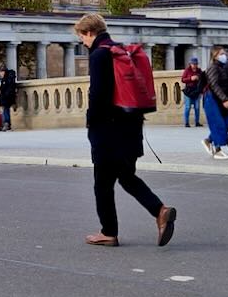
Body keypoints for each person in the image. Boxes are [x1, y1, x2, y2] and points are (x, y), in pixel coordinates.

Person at [75, 13, 176, 248]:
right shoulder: (121, 51)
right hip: (131, 125)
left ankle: (108, 232)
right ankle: (160, 211)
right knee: (126, 177)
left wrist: (91, 122)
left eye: (82, 36)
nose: (82, 42)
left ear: (89, 32)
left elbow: (98, 94)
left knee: (102, 183)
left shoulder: (99, 55)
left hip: (109, 130)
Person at [201, 48, 228, 159]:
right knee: (218, 124)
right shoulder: (213, 67)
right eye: (221, 54)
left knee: (227, 122)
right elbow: (214, 84)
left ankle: (208, 140)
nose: (224, 56)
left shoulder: (223, 67)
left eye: (224, 53)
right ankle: (217, 150)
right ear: (215, 56)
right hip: (212, 98)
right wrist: (224, 99)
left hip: (220, 98)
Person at [180, 57, 204, 128]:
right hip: (188, 91)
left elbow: (203, 79)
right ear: (190, 64)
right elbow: (183, 79)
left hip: (196, 90)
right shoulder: (187, 70)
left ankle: (197, 122)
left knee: (197, 107)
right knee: (187, 107)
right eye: (193, 64)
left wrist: (198, 77)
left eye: (195, 64)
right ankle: (186, 122)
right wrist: (190, 78)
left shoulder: (199, 70)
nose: (194, 65)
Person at [0, 67, 17, 131]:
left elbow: (5, 88)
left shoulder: (6, 79)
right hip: (7, 97)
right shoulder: (7, 79)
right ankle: (7, 124)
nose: (0, 74)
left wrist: (3, 94)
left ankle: (7, 123)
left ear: (4, 72)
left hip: (6, 97)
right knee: (6, 110)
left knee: (5, 110)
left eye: (1, 72)